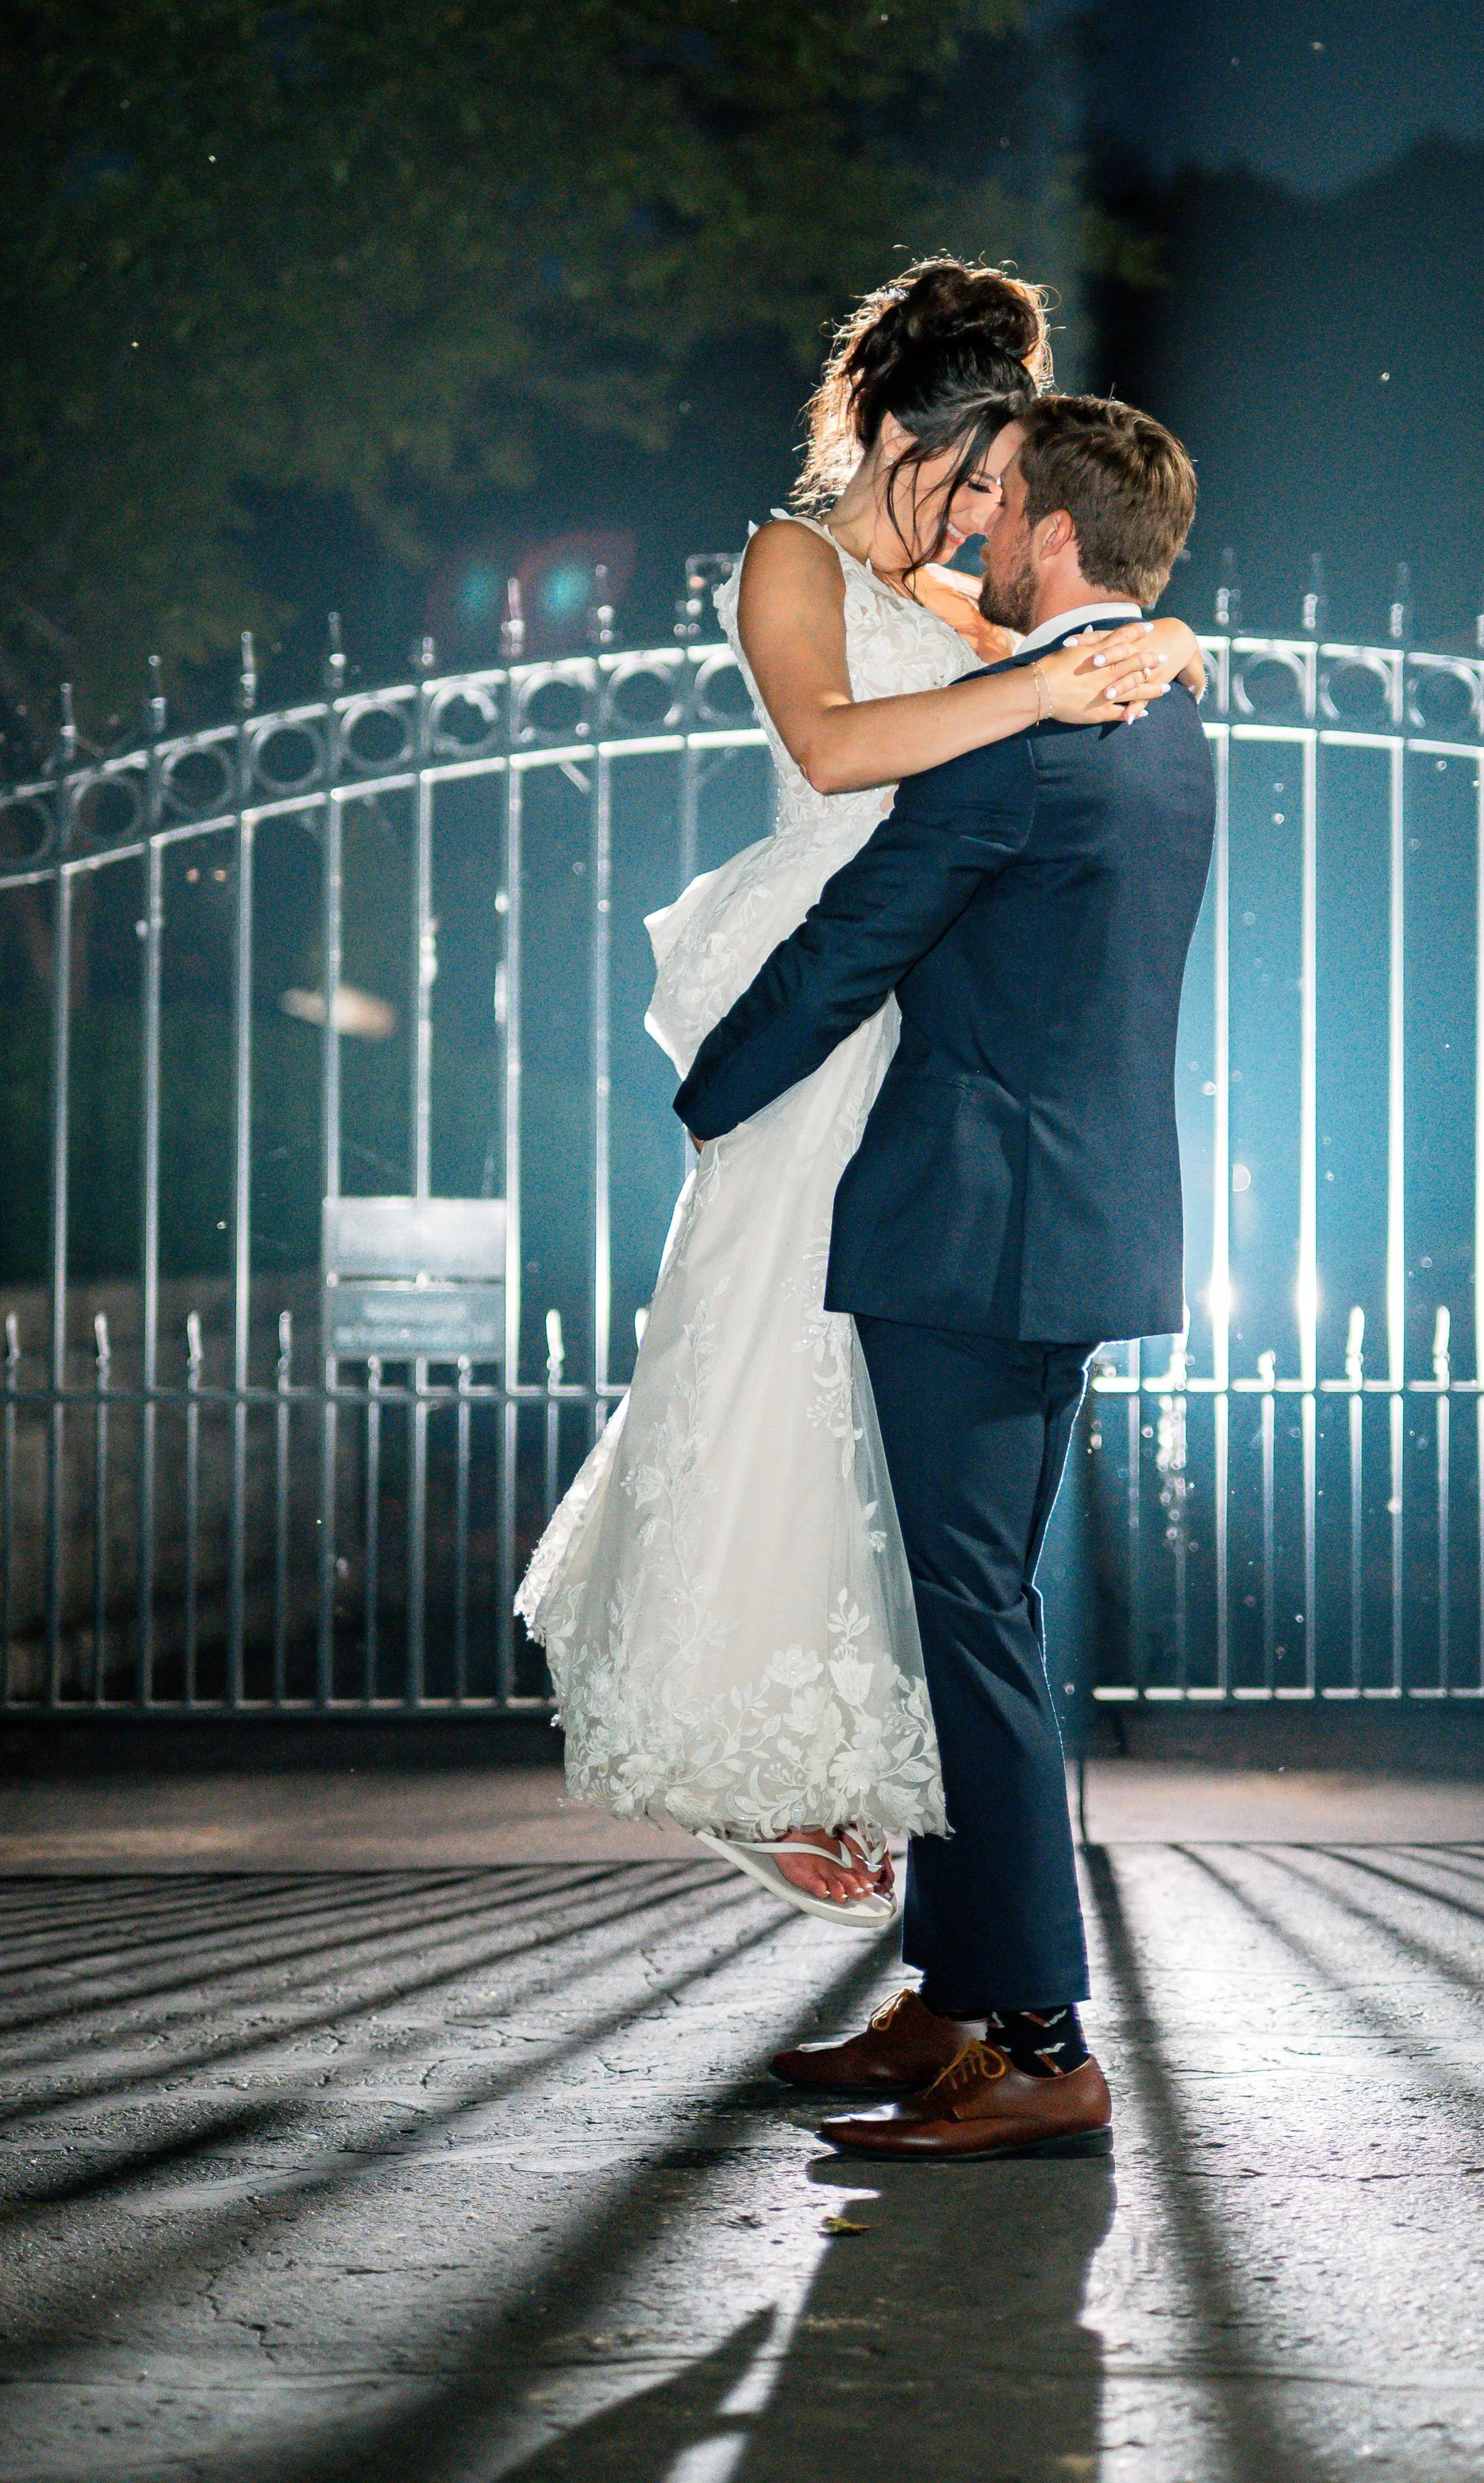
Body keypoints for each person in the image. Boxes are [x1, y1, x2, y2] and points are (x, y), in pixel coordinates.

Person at [516, 264, 1203, 1923]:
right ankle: (763, 1750)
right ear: (891, 426)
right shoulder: (792, 559)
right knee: (770, 1372)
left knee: (888, 1450)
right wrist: (1039, 686)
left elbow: (1073, 629)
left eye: (999, 491)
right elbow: (830, 745)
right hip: (823, 968)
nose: (981, 516)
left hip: (921, 1017)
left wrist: (1156, 637)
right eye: (963, 474)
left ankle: (873, 1800)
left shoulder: (969, 606)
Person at [675, 392, 1213, 2156]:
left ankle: (1042, 2046)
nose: (979, 529)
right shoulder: (1161, 708)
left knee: (970, 1631)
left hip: (972, 1237)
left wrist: (709, 1096)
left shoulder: (1023, 747)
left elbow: (853, 944)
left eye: (1002, 511)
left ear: (1052, 534)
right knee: (959, 1619)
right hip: (1075, 1222)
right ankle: (949, 2003)